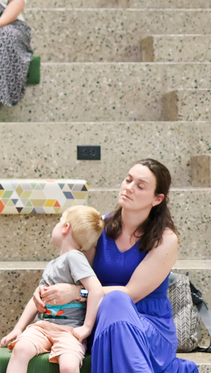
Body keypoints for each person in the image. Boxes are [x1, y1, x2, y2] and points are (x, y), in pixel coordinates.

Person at [32, 160, 198, 373]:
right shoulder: (98, 227)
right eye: (128, 180)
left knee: (117, 299)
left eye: (140, 186)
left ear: (157, 199)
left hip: (149, 328)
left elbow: (131, 293)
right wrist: (46, 292)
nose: (129, 187)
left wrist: (77, 293)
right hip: (101, 323)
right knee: (112, 304)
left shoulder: (166, 239)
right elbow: (72, 268)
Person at [0, 206, 105, 373]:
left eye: (59, 221)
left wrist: (87, 327)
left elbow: (96, 290)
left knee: (69, 365)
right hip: (42, 326)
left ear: (66, 227)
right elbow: (37, 300)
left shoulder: (74, 257)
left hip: (69, 331)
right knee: (21, 349)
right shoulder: (52, 264)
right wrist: (18, 328)